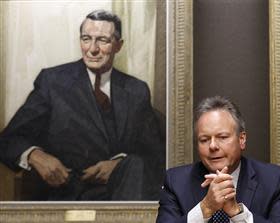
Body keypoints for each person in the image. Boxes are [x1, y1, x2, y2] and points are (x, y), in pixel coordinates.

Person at [0, 10, 165, 200]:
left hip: (123, 199)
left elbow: (156, 155)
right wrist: (35, 156)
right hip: (64, 199)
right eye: (86, 39)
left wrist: (120, 165)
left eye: (102, 40)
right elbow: (8, 140)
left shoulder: (136, 90)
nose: (92, 49)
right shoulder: (53, 82)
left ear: (118, 46)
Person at [156, 96, 280, 222]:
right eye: (204, 140)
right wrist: (205, 208)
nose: (212, 146)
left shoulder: (275, 180)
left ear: (241, 139)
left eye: (222, 137)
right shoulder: (175, 181)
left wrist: (237, 213)